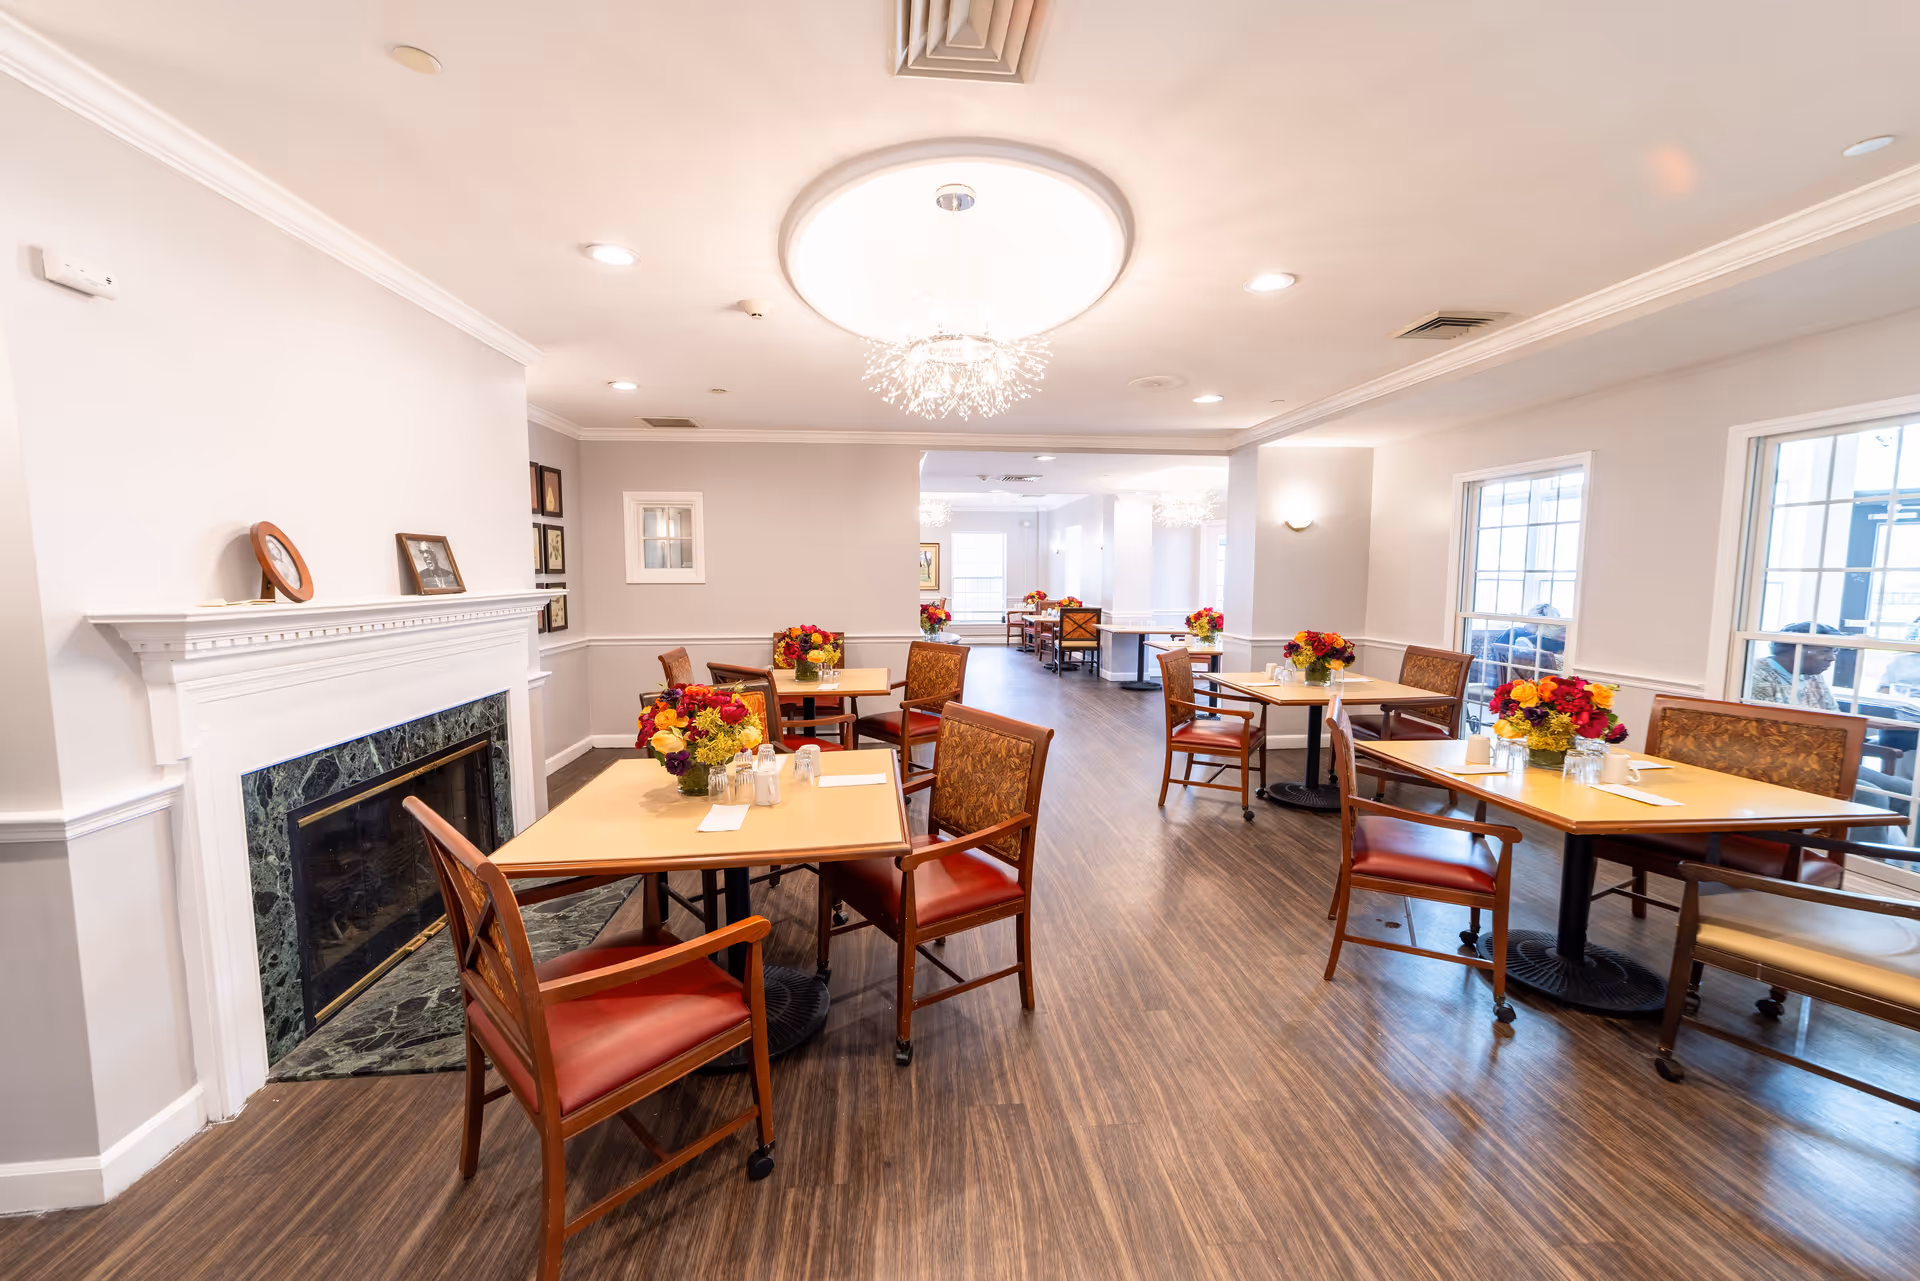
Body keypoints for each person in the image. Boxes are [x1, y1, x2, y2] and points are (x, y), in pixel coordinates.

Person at [1745, 621, 1841, 710]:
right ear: (1795, 650)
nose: (1832, 658)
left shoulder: (1813, 676)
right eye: (1824, 652)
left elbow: (1833, 713)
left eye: (1834, 652)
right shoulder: (1757, 676)